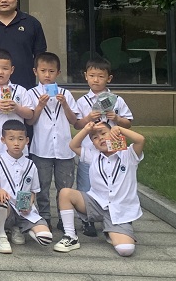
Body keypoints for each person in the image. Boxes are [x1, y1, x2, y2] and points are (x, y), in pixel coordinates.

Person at [54, 121, 145, 256]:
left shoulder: (128, 154)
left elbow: (140, 140)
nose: (100, 138)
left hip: (119, 210)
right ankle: (70, 236)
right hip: (96, 203)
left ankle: (112, 230)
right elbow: (73, 145)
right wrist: (86, 129)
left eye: (103, 133)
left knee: (125, 250)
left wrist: (119, 129)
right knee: (65, 193)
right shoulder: (93, 155)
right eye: (95, 138)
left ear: (113, 134)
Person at [73, 56, 134, 237]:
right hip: (90, 150)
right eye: (92, 76)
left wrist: (116, 118)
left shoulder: (117, 100)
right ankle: (87, 220)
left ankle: (116, 218)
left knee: (115, 184)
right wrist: (88, 119)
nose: (96, 80)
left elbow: (128, 123)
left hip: (114, 152)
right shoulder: (83, 101)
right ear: (86, 76)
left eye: (101, 76)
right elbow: (76, 124)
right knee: (85, 183)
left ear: (109, 78)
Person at [25, 52, 78, 229]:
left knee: (65, 186)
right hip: (42, 148)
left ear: (58, 73)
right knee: (42, 185)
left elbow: (74, 120)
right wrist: (40, 106)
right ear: (35, 72)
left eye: (51, 71)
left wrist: (65, 104)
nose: (47, 75)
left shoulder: (66, 94)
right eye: (43, 71)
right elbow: (30, 121)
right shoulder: (31, 94)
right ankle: (45, 216)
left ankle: (64, 217)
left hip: (64, 148)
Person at [0, 119, 53, 254]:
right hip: (6, 210)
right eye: (11, 139)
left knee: (45, 238)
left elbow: (34, 191)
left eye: (20, 139)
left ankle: (18, 228)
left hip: (25, 211)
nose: (16, 143)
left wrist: (29, 203)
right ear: (3, 140)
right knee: (0, 200)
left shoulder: (31, 165)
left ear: (27, 141)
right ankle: (1, 234)